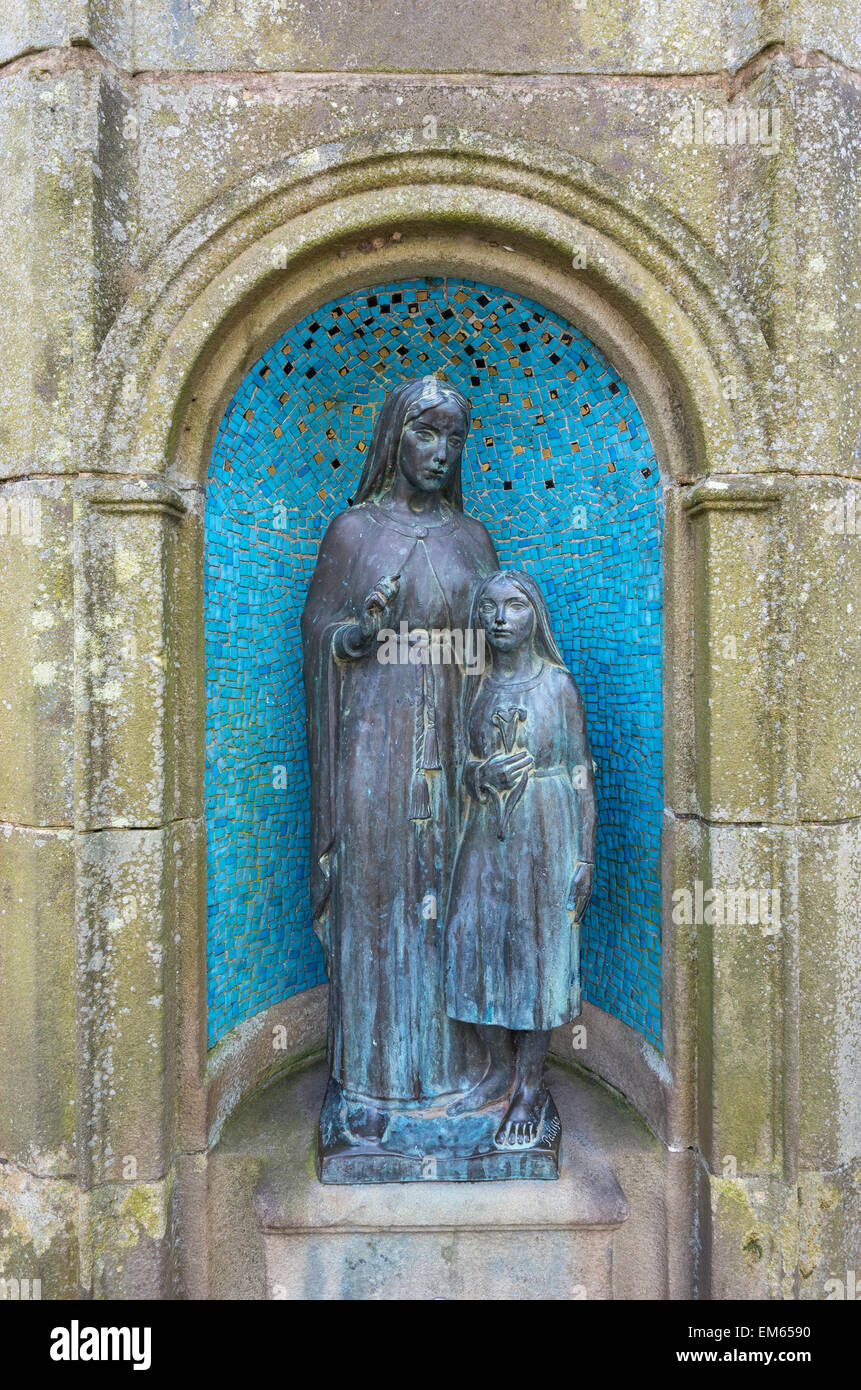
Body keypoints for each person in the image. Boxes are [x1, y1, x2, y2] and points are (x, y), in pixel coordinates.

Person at [301, 375, 499, 1146]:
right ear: (394, 438)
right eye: (425, 433)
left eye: (453, 438)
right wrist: (352, 634)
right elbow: (319, 637)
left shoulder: (471, 539)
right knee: (378, 895)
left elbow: (494, 641)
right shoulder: (353, 533)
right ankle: (371, 1079)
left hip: (451, 745)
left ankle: (455, 1069)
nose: (440, 452)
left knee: (452, 897)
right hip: (374, 747)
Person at [443, 569, 597, 1148]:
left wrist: (584, 859)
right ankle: (500, 1071)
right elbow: (455, 769)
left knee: (537, 956)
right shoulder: (475, 685)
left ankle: (530, 1088)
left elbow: (581, 772)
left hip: (546, 832)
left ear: (536, 616)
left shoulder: (557, 686)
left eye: (514, 607)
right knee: (470, 942)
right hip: (486, 837)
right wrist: (481, 773)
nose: (500, 619)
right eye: (489, 608)